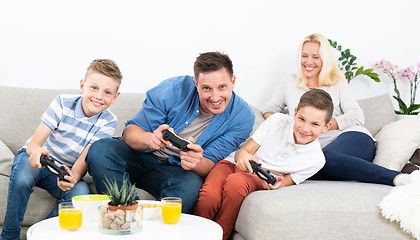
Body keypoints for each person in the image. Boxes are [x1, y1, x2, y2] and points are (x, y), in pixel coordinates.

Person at [85, 51, 255, 213]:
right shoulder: (173, 89)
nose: (215, 97)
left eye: (222, 87)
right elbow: (129, 134)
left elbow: (208, 164)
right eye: (206, 89)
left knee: (190, 184)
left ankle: (156, 230)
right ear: (196, 84)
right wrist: (149, 139)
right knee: (101, 149)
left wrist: (195, 162)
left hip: (174, 170)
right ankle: (127, 214)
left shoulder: (243, 118)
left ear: (233, 81)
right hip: (139, 157)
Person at [263, 33, 420, 186]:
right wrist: (293, 124)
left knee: (323, 159)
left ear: (325, 59)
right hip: (314, 150)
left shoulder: (336, 83)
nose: (309, 61)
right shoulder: (291, 82)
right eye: (304, 56)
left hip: (352, 137)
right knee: (312, 163)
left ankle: (400, 179)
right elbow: (269, 110)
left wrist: (321, 124)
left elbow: (356, 116)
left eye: (315, 57)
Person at [1, 59, 122, 240]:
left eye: (107, 92)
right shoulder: (63, 103)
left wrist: (72, 178)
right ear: (82, 86)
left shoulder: (108, 121)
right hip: (38, 159)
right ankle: (9, 235)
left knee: (80, 193)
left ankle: (38, 233)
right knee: (23, 176)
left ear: (114, 97)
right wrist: (36, 154)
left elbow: (84, 159)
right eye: (94, 88)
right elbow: (35, 144)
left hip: (60, 172)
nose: (99, 96)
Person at [194, 89, 333, 240]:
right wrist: (243, 157)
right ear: (294, 113)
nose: (305, 128)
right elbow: (244, 151)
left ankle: (221, 236)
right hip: (231, 164)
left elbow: (286, 182)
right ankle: (195, 235)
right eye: (301, 119)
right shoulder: (277, 120)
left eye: (314, 124)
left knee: (236, 183)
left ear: (326, 126)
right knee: (209, 196)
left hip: (258, 177)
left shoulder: (317, 160)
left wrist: (276, 185)